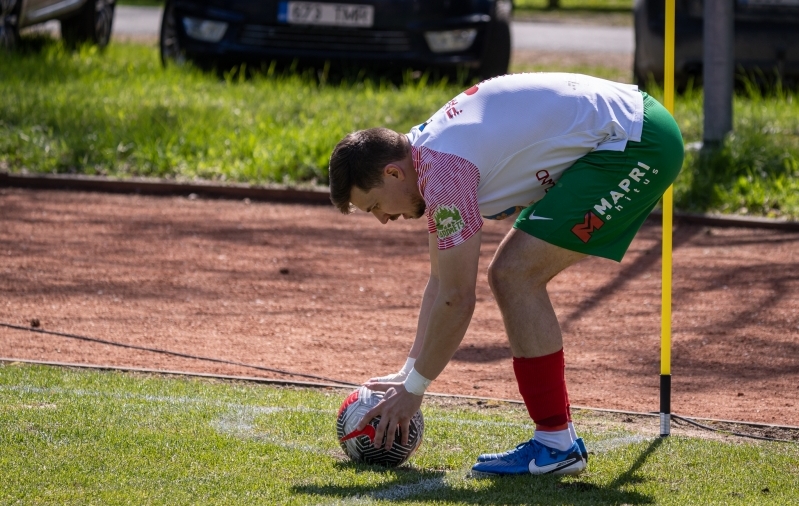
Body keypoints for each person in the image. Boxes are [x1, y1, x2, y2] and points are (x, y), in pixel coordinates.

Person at [327, 72, 683, 476]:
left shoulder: (443, 173)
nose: (382, 220)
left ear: (393, 173)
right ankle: (556, 441)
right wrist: (407, 374)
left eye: (374, 205)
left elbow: (459, 298)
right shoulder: (427, 161)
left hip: (639, 141)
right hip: (633, 128)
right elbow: (440, 281)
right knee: (511, 274)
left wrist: (414, 391)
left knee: (514, 275)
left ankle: (555, 445)